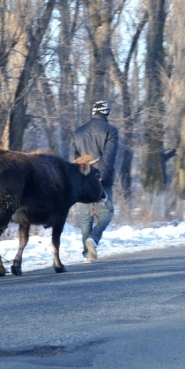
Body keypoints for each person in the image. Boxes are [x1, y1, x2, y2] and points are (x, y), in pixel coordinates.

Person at [72, 100, 119, 263]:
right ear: (106, 113)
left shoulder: (78, 132)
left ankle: (87, 254)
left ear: (93, 112)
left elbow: (74, 158)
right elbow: (109, 156)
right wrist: (103, 176)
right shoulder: (111, 131)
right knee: (108, 211)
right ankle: (93, 239)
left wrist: (78, 176)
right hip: (101, 177)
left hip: (83, 178)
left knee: (85, 215)